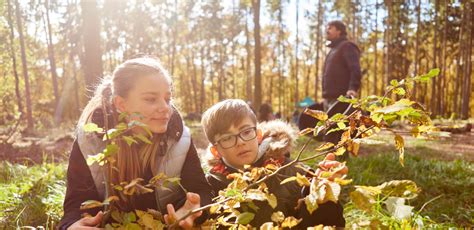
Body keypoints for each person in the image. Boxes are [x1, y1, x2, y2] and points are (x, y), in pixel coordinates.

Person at [59, 57, 212, 229]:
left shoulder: (179, 138)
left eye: (167, 99)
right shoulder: (90, 141)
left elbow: (202, 191)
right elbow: (75, 205)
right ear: (121, 104)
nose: (165, 107)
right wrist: (71, 226)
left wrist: (195, 211)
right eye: (150, 99)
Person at [200, 99, 346, 227]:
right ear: (215, 151)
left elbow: (332, 223)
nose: (240, 142)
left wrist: (322, 193)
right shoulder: (209, 190)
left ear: (258, 135)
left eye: (246, 132)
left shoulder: (296, 173)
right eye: (227, 138)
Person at [322, 20, 361, 111]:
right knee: (328, 125)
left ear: (339, 31)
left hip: (342, 99)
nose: (327, 31)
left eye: (330, 28)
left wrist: (353, 88)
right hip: (328, 99)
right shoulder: (332, 50)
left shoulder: (347, 46)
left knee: (340, 125)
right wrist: (325, 96)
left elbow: (355, 69)